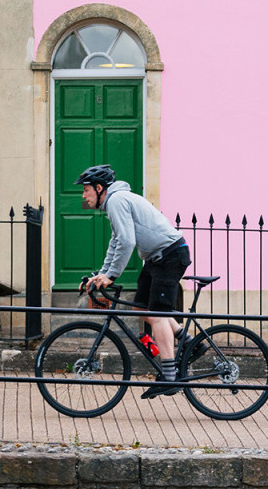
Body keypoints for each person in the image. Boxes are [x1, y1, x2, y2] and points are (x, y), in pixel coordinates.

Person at [75, 164, 199, 399]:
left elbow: (127, 242)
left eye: (86, 190)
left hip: (170, 255)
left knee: (157, 315)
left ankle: (170, 377)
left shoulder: (116, 201)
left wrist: (111, 275)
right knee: (141, 309)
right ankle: (190, 341)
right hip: (156, 258)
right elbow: (116, 241)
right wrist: (102, 274)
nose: (83, 196)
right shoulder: (114, 202)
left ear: (99, 188)